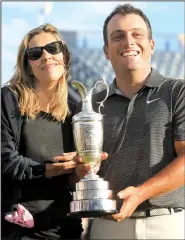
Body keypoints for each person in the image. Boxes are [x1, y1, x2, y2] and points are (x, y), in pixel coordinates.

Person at [74, 4, 185, 239]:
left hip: (164, 225)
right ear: (106, 51)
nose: (129, 42)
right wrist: (80, 169)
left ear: (151, 45)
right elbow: (78, 173)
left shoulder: (178, 92)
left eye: (137, 34)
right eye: (118, 36)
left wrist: (141, 193)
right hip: (106, 226)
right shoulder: (89, 107)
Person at [1, 23, 83, 240]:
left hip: (65, 229)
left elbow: (73, 181)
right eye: (35, 53)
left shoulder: (77, 107)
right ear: (27, 65)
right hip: (20, 228)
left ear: (64, 55)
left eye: (53, 48)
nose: (46, 56)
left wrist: (83, 167)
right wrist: (48, 170)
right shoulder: (9, 99)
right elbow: (4, 160)